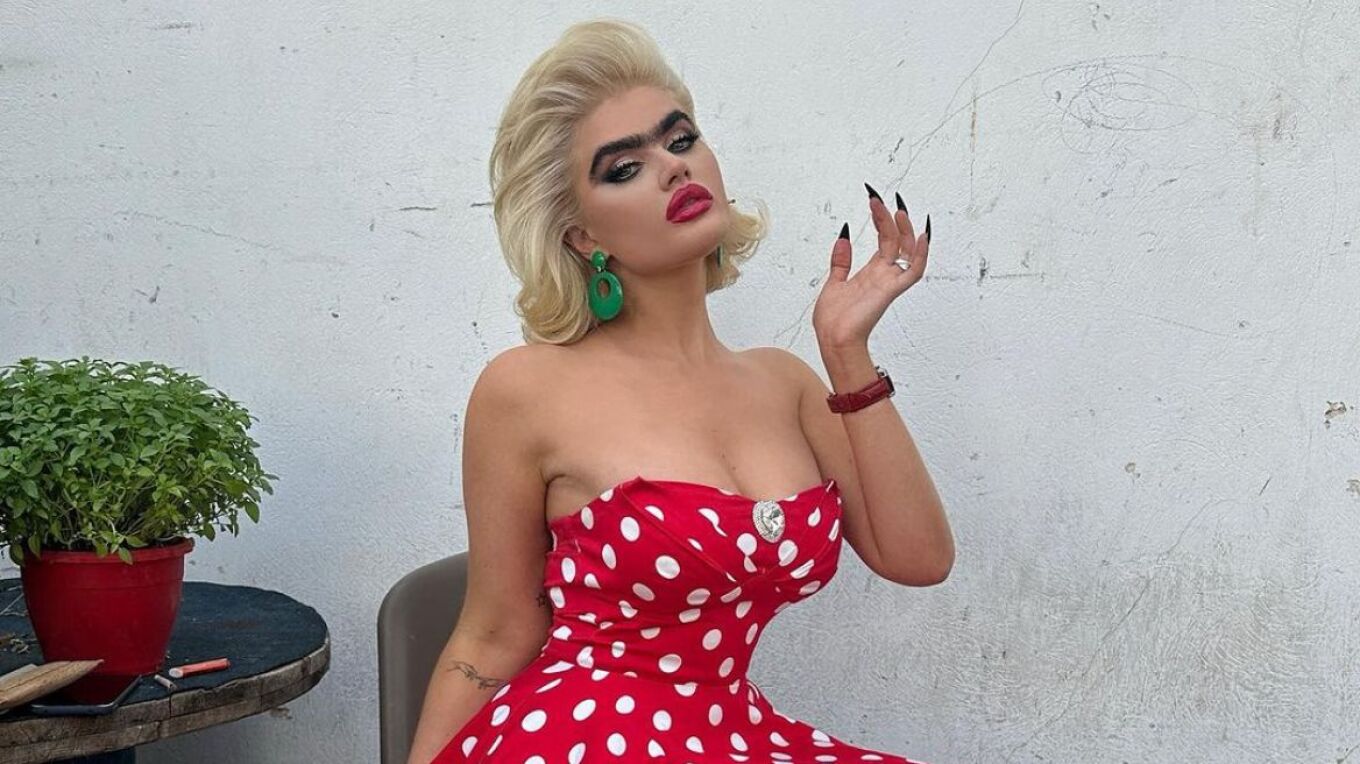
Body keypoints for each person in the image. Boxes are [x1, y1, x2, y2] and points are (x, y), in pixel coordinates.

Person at [407, 17, 955, 764]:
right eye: (623, 168)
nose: (671, 167)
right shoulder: (526, 389)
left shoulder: (785, 383)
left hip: (732, 732)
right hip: (583, 737)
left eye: (681, 139)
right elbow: (494, 635)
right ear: (582, 237)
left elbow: (918, 559)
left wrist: (847, 352)